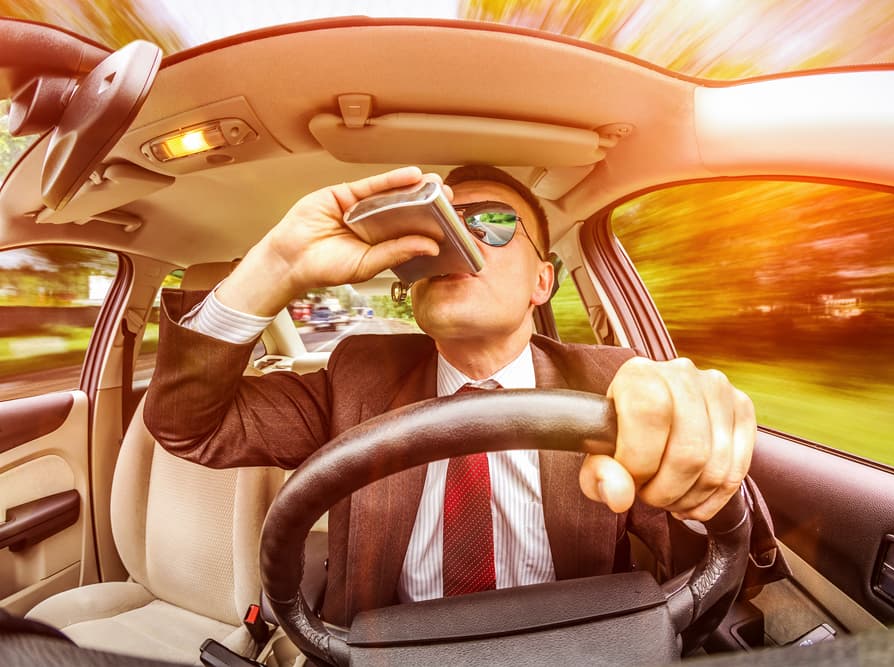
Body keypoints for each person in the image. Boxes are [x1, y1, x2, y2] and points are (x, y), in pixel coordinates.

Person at [144, 165, 764, 626]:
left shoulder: (612, 381)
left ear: (542, 282)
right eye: (433, 226)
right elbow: (188, 427)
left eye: (490, 224)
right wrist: (277, 265)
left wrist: (703, 453)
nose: (454, 245)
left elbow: (707, 553)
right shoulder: (357, 374)